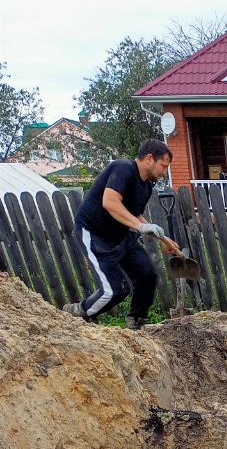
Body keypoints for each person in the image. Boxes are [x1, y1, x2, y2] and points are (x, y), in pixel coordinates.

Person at [63, 140, 180, 329]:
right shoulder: (123, 168)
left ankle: (136, 321)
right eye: (163, 166)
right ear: (149, 159)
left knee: (147, 275)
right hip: (94, 234)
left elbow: (135, 214)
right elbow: (110, 202)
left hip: (121, 235)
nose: (164, 172)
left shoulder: (146, 186)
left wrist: (163, 240)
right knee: (116, 290)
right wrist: (140, 227)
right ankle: (77, 313)